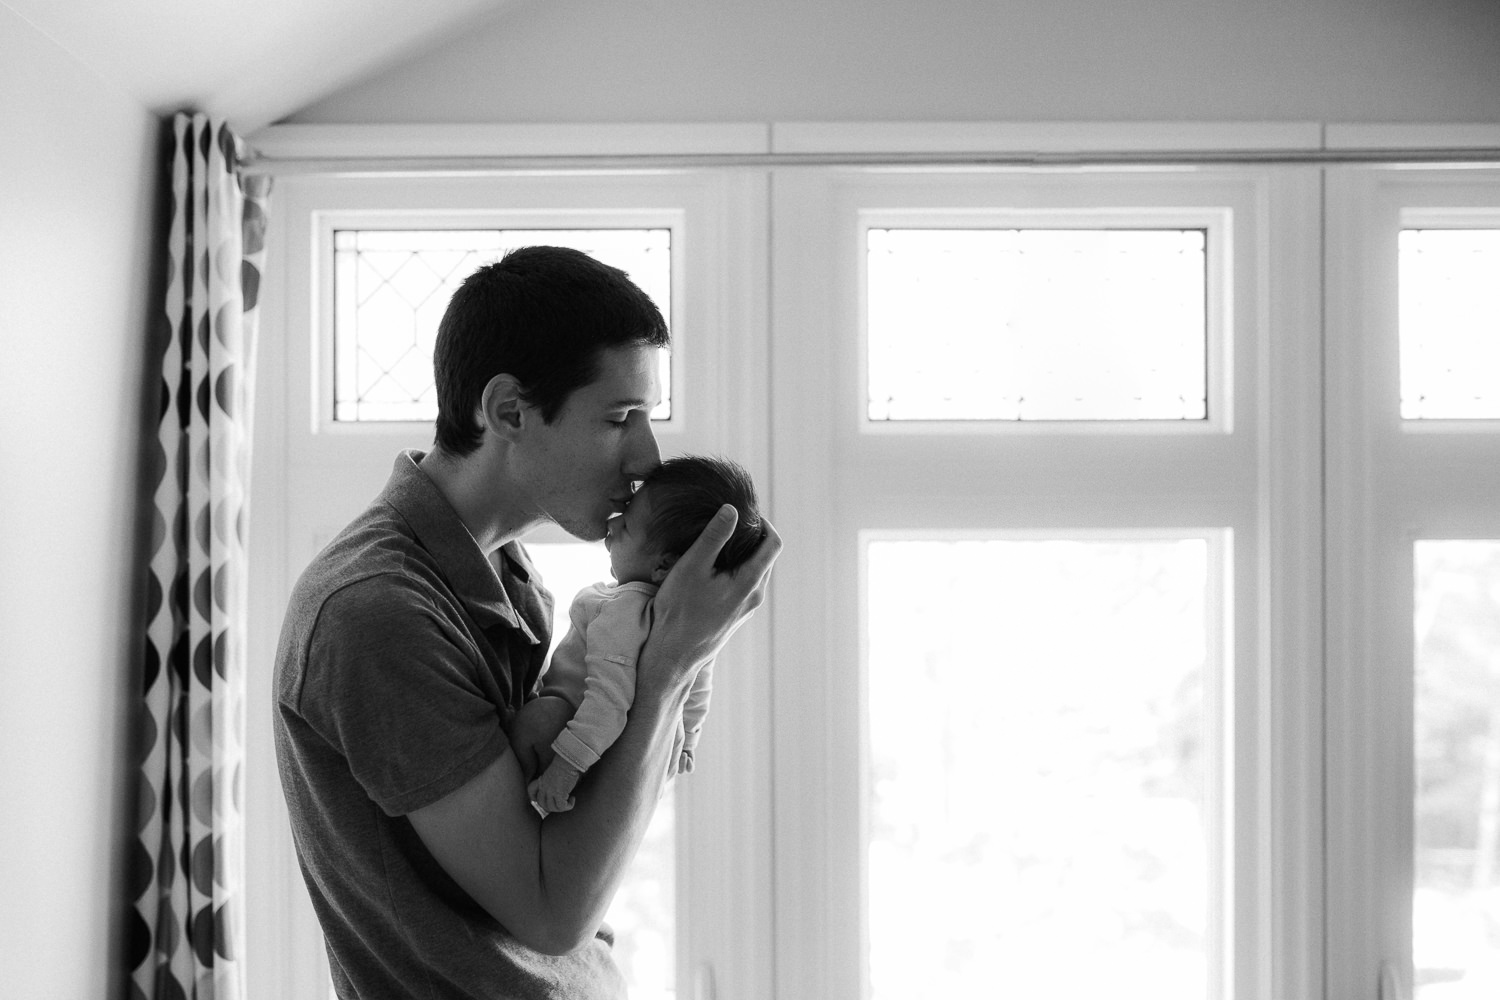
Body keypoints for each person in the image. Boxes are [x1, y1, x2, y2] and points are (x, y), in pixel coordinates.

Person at [273, 246, 780, 1000]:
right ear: (508, 410)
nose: (646, 456)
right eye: (619, 418)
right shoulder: (375, 613)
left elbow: (576, 818)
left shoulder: (509, 575)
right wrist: (672, 665)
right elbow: (553, 910)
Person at [528, 455, 764, 816]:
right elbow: (698, 681)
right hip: (620, 749)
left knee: (535, 720)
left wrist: (564, 767)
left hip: (573, 738)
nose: (612, 523)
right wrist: (687, 738)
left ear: (663, 565)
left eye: (626, 526)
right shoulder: (685, 623)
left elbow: (609, 701)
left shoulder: (621, 612)